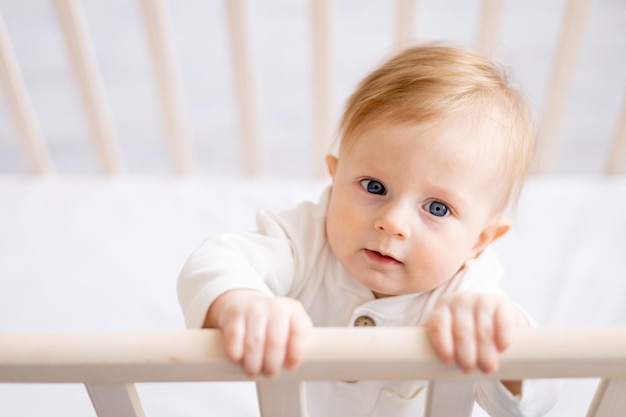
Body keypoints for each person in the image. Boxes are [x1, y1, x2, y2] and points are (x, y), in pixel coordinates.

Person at [178, 43, 560, 416]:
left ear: (479, 242)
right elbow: (218, 259)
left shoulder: (468, 295)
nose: (392, 223)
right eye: (374, 187)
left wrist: (503, 338)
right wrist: (242, 304)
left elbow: (531, 405)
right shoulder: (306, 238)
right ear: (334, 177)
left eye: (437, 208)